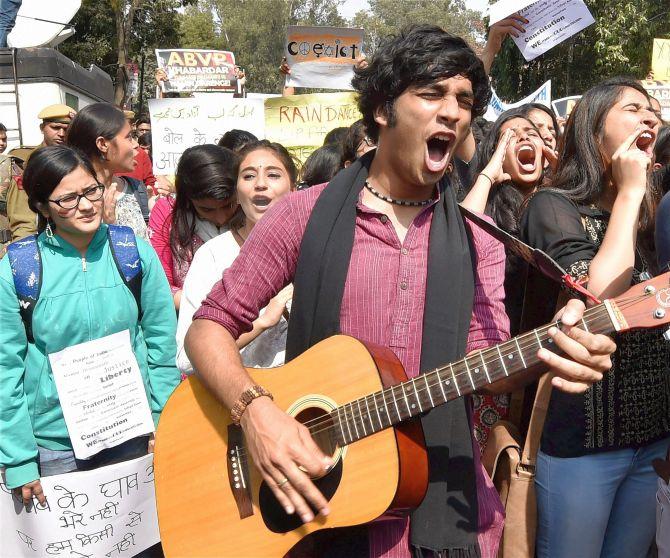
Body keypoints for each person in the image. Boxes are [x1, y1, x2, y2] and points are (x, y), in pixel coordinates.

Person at [185, 25, 615, 558]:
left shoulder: (481, 240)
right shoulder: (303, 214)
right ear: (384, 109)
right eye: (432, 93)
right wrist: (255, 413)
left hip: (446, 509)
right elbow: (208, 327)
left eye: (463, 100)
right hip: (318, 513)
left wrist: (553, 349)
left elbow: (486, 362)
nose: (453, 112)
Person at [520, 77, 669, 558]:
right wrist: (628, 194)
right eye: (633, 109)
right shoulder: (554, 206)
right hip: (585, 442)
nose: (650, 117)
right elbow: (605, 300)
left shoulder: (655, 215)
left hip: (654, 436)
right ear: (592, 128)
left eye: (653, 111)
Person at [0, 145, 178, 506]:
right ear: (41, 206)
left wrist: (166, 420)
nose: (85, 205)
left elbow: (163, 345)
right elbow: (6, 369)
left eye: (91, 190)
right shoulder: (18, 270)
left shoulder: (133, 252)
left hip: (134, 433)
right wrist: (19, 459)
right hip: (53, 448)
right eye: (67, 199)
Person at [176, 140, 297, 374]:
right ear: (237, 194)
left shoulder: (318, 248)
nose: (260, 184)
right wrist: (260, 323)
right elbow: (187, 360)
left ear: (293, 187)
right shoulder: (212, 255)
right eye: (249, 176)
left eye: (273, 175)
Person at [148, 144, 239, 310]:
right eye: (206, 209)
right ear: (187, 199)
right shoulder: (167, 213)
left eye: (228, 206)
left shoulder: (249, 214)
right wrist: (206, 307)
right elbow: (159, 284)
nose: (221, 217)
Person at [66, 103, 150, 239]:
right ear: (103, 144)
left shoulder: (136, 189)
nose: (135, 144)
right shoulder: (68, 200)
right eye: (129, 137)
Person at [6, 104, 76, 241]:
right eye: (55, 128)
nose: (61, 134)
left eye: (66, 129)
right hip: (37, 238)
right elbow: (23, 218)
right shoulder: (24, 161)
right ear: (42, 128)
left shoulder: (77, 160)